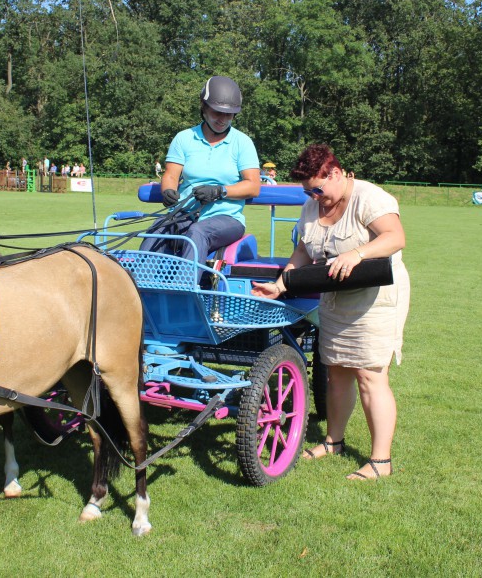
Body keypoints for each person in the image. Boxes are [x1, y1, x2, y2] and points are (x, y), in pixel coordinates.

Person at [252, 144, 410, 481]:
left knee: (369, 374)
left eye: (318, 188)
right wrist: (280, 285)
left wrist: (358, 253)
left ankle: (381, 462)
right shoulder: (312, 207)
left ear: (335, 173)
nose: (314, 196)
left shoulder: (369, 198)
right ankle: (332, 441)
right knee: (336, 371)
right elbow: (302, 252)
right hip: (336, 298)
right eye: (308, 191)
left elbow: (396, 238)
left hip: (375, 299)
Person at [141, 76, 261, 265]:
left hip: (227, 219)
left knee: (197, 232)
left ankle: (186, 291)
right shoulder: (184, 138)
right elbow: (171, 175)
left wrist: (219, 191)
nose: (222, 119)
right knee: (159, 228)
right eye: (217, 112)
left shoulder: (242, 142)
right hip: (185, 213)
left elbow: (253, 186)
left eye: (228, 115)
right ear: (204, 107)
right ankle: (140, 285)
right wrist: (168, 192)